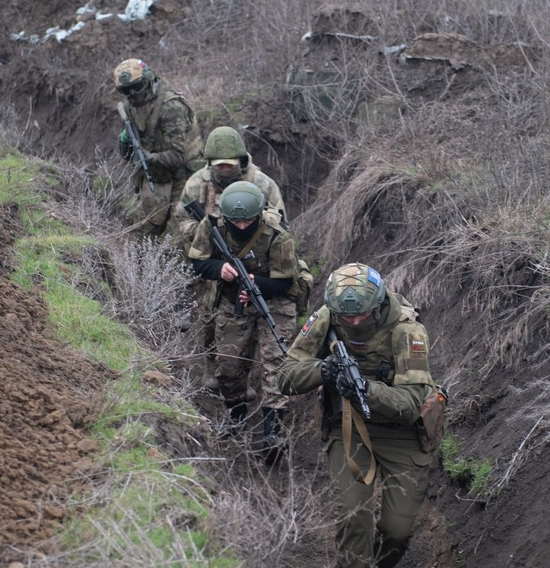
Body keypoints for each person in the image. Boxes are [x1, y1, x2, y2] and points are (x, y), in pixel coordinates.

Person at [278, 263, 443, 568]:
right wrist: (322, 371)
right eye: (347, 317)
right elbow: (286, 375)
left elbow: (411, 404)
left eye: (361, 315)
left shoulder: (406, 329)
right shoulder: (329, 315)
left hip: (402, 433)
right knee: (354, 517)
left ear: (378, 304)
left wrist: (366, 389)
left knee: (397, 532)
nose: (353, 321)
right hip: (349, 427)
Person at [186, 181, 298, 457]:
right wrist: (219, 268)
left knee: (276, 363)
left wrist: (255, 283)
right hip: (232, 298)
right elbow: (198, 262)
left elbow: (285, 282)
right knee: (228, 365)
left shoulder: (276, 233)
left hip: (274, 301)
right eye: (236, 221)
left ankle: (272, 432)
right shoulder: (213, 225)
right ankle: (236, 415)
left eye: (248, 220)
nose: (241, 226)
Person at [176, 125, 288, 391]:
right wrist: (204, 232)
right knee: (208, 313)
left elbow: (280, 225)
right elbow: (180, 221)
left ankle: (242, 375)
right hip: (210, 258)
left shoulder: (262, 185)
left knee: (243, 316)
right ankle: (210, 366)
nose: (225, 171)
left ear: (241, 160)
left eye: (230, 166)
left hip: (250, 261)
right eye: (219, 167)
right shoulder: (196, 184)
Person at [112, 58, 204, 239]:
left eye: (136, 87)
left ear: (148, 81)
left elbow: (177, 156)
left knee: (181, 233)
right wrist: (125, 139)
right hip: (157, 176)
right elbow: (127, 155)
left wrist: (148, 158)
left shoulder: (171, 106)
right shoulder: (131, 107)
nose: (131, 94)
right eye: (125, 90)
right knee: (140, 233)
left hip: (184, 175)